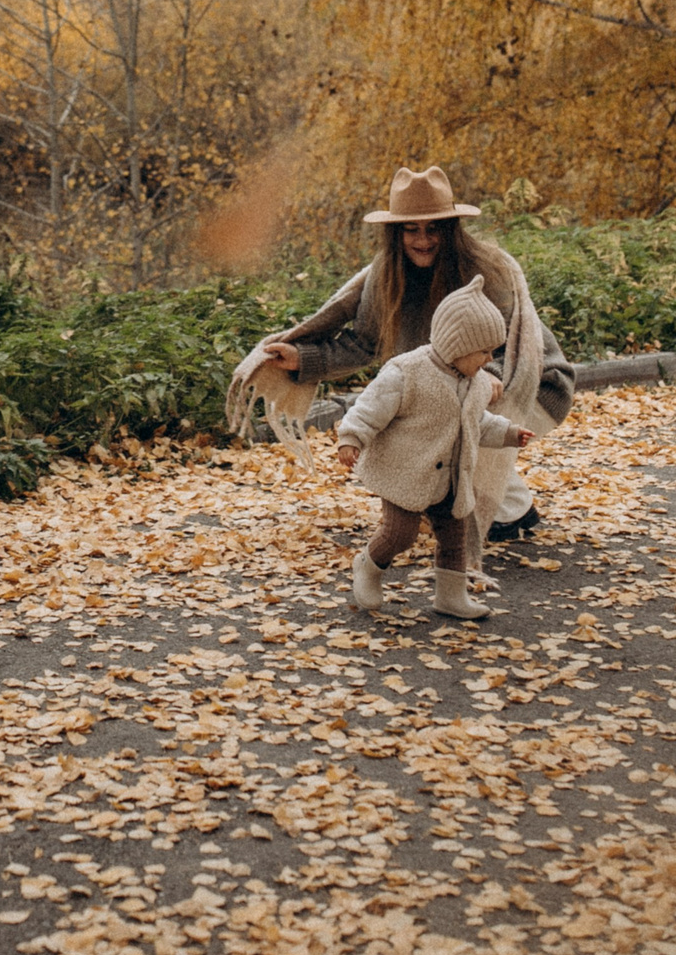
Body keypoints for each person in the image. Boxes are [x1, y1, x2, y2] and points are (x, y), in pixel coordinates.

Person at [227, 166, 574, 576]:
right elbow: (364, 344)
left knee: (456, 426)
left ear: (451, 229)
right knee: (435, 421)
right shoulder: (385, 276)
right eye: (412, 229)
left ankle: (510, 512)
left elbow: (505, 342)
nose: (423, 240)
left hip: (531, 380)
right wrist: (304, 359)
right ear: (396, 233)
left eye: (434, 229)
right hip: (460, 381)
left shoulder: (485, 269)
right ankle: (482, 503)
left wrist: (486, 378)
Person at [333, 277, 535, 618]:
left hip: (452, 477)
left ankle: (450, 596)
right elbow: (370, 407)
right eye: (484, 351)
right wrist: (351, 437)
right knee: (400, 533)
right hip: (406, 472)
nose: (489, 360)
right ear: (457, 345)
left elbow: (476, 422)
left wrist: (509, 433)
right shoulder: (406, 373)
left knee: (455, 535)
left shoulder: (475, 381)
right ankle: (368, 565)